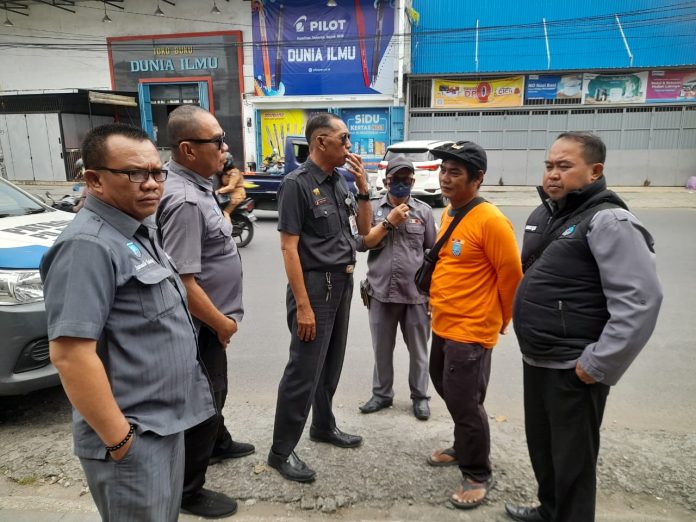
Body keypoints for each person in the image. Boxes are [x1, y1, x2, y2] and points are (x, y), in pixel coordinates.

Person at [40, 123, 216, 521]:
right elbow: (70, 355)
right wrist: (121, 440)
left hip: (163, 426)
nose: (151, 184)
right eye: (135, 173)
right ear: (94, 181)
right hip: (134, 437)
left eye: (157, 172)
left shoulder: (138, 229)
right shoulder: (87, 246)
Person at [505, 132, 663, 522]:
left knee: (573, 462)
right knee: (543, 448)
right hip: (539, 358)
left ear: (595, 171)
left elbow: (639, 300)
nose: (552, 174)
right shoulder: (544, 215)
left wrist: (598, 364)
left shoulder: (610, 220)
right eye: (548, 165)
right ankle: (550, 510)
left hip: (575, 366)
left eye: (564, 166)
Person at [157, 105, 253, 519]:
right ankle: (188, 490)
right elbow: (183, 280)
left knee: (215, 389)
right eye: (217, 141)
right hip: (200, 323)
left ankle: (218, 442)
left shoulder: (198, 186)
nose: (225, 148)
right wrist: (221, 323)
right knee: (207, 395)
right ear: (188, 149)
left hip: (210, 319)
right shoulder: (184, 200)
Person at [268, 112, 371, 483]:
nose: (349, 146)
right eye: (344, 139)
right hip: (315, 288)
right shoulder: (296, 184)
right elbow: (288, 248)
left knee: (330, 363)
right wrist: (304, 306)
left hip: (341, 283)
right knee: (303, 371)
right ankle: (280, 451)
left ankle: (323, 425)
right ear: (320, 141)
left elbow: (363, 231)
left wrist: (363, 187)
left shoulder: (339, 180)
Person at [426, 141, 523, 509]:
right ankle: (463, 445)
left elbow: (511, 279)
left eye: (455, 172)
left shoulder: (492, 221)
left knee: (466, 402)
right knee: (448, 389)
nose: (445, 178)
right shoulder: (450, 213)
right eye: (443, 170)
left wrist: (500, 321)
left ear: (477, 178)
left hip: (471, 331)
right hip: (444, 324)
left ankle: (478, 472)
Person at [357, 157, 436, 420]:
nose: (401, 183)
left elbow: (432, 255)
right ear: (386, 180)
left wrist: (432, 295)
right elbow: (362, 243)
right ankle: (381, 394)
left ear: (413, 181)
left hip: (416, 296)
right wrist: (388, 222)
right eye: (396, 178)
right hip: (380, 293)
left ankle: (420, 397)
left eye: (406, 179)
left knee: (419, 352)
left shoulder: (423, 212)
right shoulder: (373, 208)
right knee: (381, 350)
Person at [215, 153, 246, 221]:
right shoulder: (225, 172)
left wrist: (218, 191)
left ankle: (228, 227)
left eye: (223, 162)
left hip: (236, 196)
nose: (221, 164)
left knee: (225, 213)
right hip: (228, 196)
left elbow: (231, 187)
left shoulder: (234, 172)